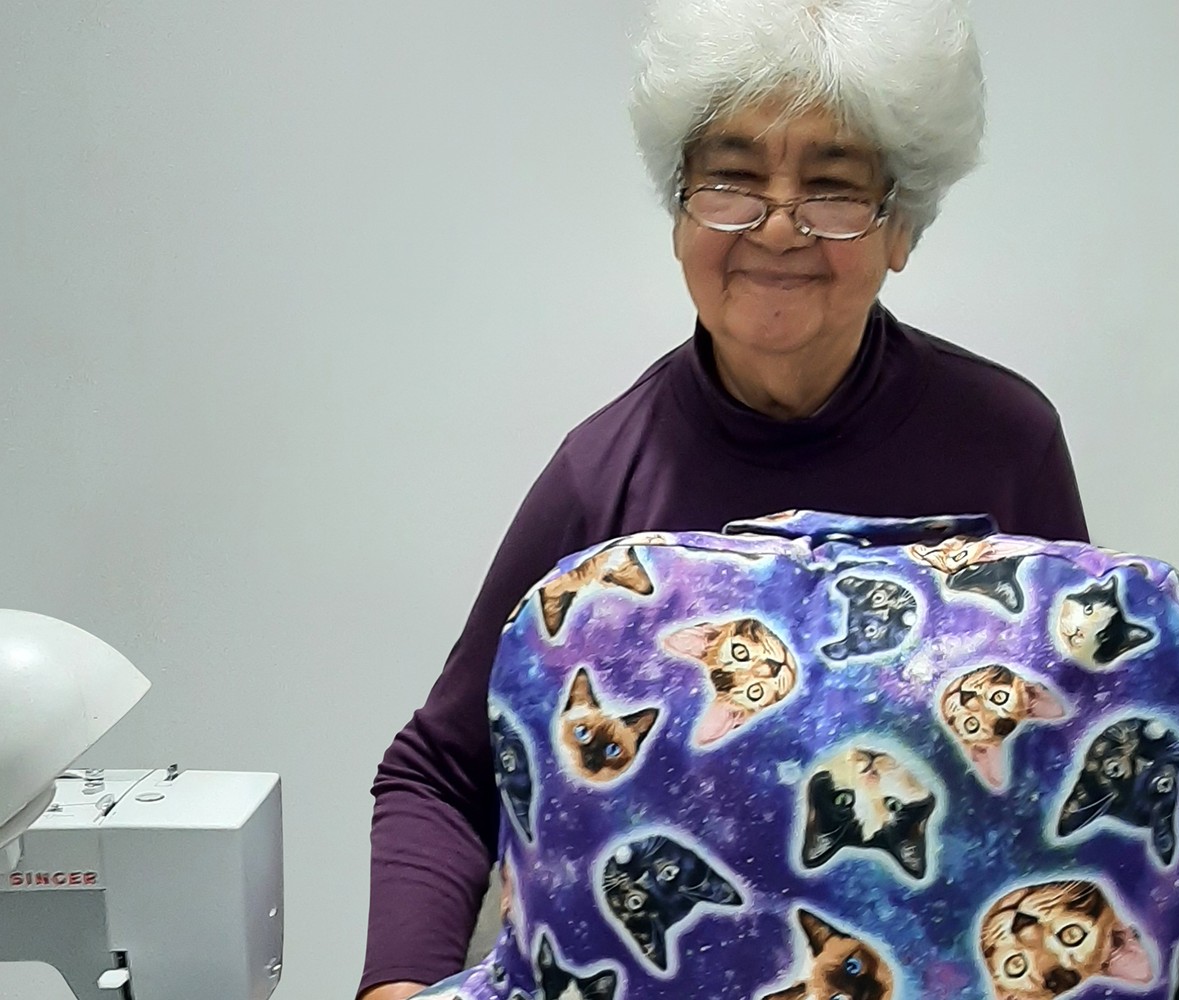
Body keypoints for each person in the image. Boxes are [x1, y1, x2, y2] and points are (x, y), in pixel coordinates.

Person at [358, 1, 1087, 996]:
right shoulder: (605, 472)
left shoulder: (1004, 446)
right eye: (733, 179)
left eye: (832, 186)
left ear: (902, 225)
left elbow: (1058, 754)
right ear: (680, 217)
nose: (776, 225)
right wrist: (396, 983)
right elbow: (441, 770)